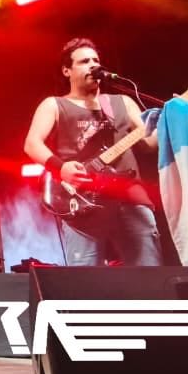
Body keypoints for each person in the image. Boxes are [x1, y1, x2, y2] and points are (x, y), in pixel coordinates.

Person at [23, 37, 162, 267]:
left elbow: (148, 144)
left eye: (96, 60)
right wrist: (62, 168)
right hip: (82, 201)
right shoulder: (54, 105)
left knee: (148, 272)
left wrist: (168, 124)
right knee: (85, 278)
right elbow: (32, 144)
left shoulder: (123, 102)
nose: (93, 65)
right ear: (67, 71)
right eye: (84, 61)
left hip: (130, 196)